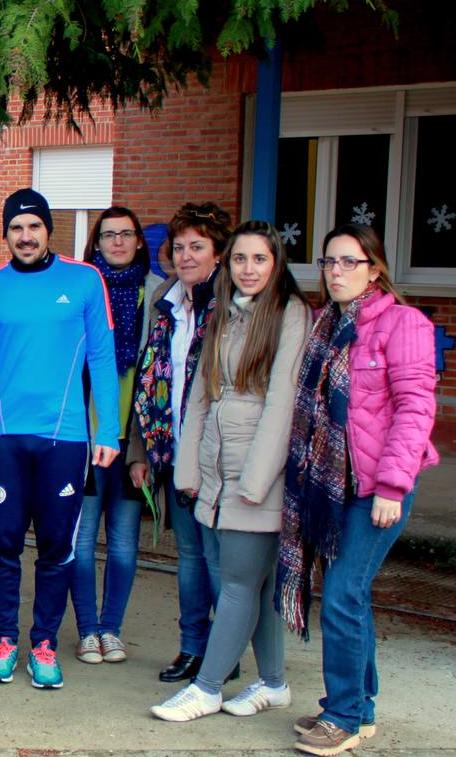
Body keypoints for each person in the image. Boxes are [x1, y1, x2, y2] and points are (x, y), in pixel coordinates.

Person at [282, 224, 438, 757]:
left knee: (344, 595)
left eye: (350, 262)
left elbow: (416, 410)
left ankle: (343, 714)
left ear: (375, 268)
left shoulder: (404, 323)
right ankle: (361, 707)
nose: (337, 272)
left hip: (378, 486)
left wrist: (394, 485)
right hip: (333, 487)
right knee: (351, 595)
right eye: (329, 262)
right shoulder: (328, 324)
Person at [151, 222, 310, 722]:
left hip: (253, 478)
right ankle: (275, 682)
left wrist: (256, 484)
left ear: (276, 263)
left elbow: (283, 405)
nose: (248, 269)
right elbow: (200, 396)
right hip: (216, 477)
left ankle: (207, 687)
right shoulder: (225, 313)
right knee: (256, 586)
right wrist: (188, 469)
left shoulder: (290, 314)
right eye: (240, 259)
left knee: (238, 585)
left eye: (258, 259)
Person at [0, 188, 119, 691]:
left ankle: (43, 644)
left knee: (58, 545)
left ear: (47, 229)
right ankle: (5, 639)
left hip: (65, 437)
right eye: (16, 228)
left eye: (34, 226)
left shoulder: (83, 280)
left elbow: (101, 357)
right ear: (6, 233)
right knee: (2, 541)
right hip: (0, 437)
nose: (26, 236)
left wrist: (110, 431)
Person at [127, 202, 233, 685]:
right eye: (180, 247)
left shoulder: (231, 308)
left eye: (198, 247)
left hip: (217, 456)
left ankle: (224, 654)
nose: (186, 256)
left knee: (219, 559)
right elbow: (149, 381)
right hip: (170, 452)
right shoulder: (165, 303)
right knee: (190, 558)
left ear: (219, 253)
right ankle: (193, 648)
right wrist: (142, 451)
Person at [70, 206, 161, 666]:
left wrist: (143, 449)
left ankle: (112, 629)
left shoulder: (158, 296)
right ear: (96, 243)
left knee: (124, 541)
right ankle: (87, 630)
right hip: (85, 436)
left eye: (127, 234)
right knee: (81, 540)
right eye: (109, 235)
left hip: (133, 440)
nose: (118, 242)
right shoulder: (85, 287)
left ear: (140, 241)